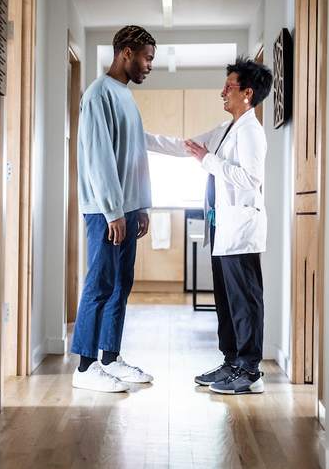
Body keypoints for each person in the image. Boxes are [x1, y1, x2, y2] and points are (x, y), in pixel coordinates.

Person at [146, 57, 273, 395]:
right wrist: (138, 136)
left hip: (241, 232)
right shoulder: (226, 129)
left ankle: (250, 372)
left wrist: (209, 161)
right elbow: (182, 145)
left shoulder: (252, 133)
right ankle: (231, 362)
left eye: (229, 87)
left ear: (247, 93)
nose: (223, 92)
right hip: (223, 230)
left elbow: (250, 179)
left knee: (244, 302)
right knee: (227, 301)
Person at [70, 25, 157, 393]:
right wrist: (113, 211)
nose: (149, 66)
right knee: (101, 283)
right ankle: (85, 367)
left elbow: (134, 156)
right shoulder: (97, 95)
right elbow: (100, 159)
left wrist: (141, 205)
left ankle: (110, 357)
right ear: (126, 52)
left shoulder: (125, 96)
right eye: (146, 58)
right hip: (105, 211)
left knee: (122, 284)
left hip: (126, 208)